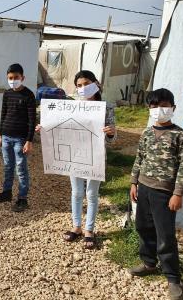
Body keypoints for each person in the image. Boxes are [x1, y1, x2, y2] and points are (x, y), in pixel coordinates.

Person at [128, 88, 183, 300]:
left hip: (165, 193)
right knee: (143, 227)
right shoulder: (146, 133)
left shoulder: (180, 135)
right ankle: (148, 263)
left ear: (173, 108)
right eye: (154, 106)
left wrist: (178, 193)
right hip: (144, 188)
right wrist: (133, 182)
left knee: (165, 235)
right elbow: (139, 158)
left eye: (164, 105)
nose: (159, 110)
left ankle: (173, 278)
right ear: (149, 108)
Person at [60, 70, 116, 249]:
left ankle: (89, 230)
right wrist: (44, 128)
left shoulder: (106, 107)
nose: (83, 88)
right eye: (79, 85)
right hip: (74, 155)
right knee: (76, 192)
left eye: (86, 84)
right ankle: (76, 227)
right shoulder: (72, 106)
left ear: (96, 83)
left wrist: (111, 133)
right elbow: (61, 127)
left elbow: (112, 139)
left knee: (92, 194)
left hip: (96, 156)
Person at [0, 63, 36, 211]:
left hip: (20, 139)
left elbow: (32, 120)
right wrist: (0, 134)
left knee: (21, 169)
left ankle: (22, 198)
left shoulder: (29, 95)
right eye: (10, 78)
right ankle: (7, 192)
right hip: (5, 137)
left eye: (16, 77)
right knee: (7, 166)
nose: (13, 80)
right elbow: (3, 114)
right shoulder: (7, 93)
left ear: (22, 77)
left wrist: (29, 140)